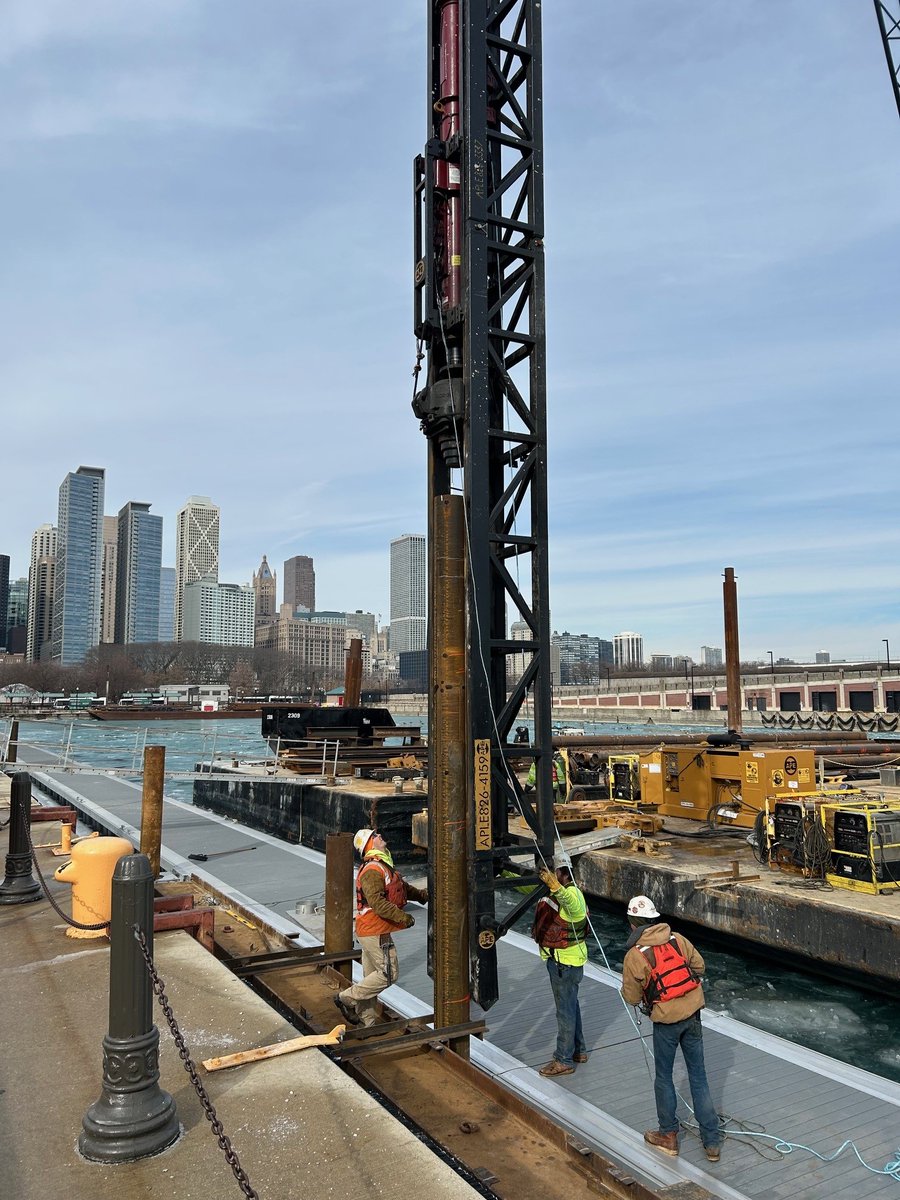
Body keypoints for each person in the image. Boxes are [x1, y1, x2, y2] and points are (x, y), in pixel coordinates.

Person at [620, 895, 722, 1163]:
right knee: (698, 1076)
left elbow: (631, 997)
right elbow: (700, 967)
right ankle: (712, 1141)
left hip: (666, 1022)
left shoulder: (635, 955)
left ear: (632, 924)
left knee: (664, 1077)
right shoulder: (677, 939)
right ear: (654, 918)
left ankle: (668, 1135)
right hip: (693, 1014)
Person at [334, 828, 428, 1029]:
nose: (379, 836)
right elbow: (378, 903)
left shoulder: (383, 865)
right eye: (374, 836)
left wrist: (423, 895)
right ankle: (346, 998)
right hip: (374, 930)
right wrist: (403, 917)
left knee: (371, 978)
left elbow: (401, 888)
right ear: (369, 844)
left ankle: (367, 1023)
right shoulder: (372, 870)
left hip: (370, 930)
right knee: (388, 974)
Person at [533, 862, 589, 1076]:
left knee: (564, 1011)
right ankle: (579, 1050)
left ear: (561, 873)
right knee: (571, 1006)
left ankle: (563, 1059)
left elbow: (573, 907)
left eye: (553, 871)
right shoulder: (564, 892)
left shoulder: (571, 893)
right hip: (567, 961)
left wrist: (555, 886)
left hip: (563, 964)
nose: (549, 874)